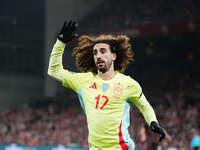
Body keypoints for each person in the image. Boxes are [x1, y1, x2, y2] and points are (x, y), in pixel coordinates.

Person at [48, 20, 165, 150]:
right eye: (95, 53)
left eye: (103, 51)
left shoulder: (128, 83)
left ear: (113, 56)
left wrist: (153, 122)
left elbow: (144, 106)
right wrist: (60, 43)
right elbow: (54, 71)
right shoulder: (82, 81)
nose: (98, 55)